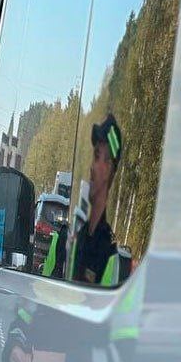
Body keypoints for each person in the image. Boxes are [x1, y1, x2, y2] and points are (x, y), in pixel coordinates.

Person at [65, 113, 129, 286]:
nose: (92, 167)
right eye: (94, 156)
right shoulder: (78, 235)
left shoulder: (108, 252)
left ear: (109, 169)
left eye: (97, 157)